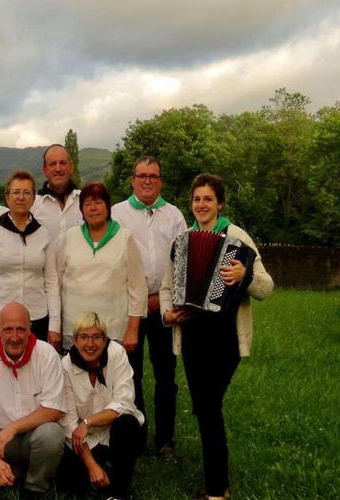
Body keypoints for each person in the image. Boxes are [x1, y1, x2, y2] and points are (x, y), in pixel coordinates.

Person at [160, 173, 273, 500]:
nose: (201, 205)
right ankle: (217, 482)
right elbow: (167, 288)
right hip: (193, 336)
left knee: (208, 406)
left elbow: (267, 287)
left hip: (224, 340)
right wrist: (167, 314)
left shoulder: (237, 236)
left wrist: (245, 274)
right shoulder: (183, 240)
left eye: (208, 199)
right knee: (205, 408)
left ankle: (216, 490)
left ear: (220, 202)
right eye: (197, 199)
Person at [111, 156, 187, 458]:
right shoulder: (117, 213)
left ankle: (165, 440)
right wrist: (141, 301)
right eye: (141, 175)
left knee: (166, 376)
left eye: (153, 176)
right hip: (129, 308)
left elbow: (182, 262)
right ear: (132, 180)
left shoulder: (174, 215)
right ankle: (135, 437)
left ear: (160, 181)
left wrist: (161, 300)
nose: (147, 181)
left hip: (164, 307)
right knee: (130, 376)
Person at [0, 302, 66, 496]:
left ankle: (35, 486)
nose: (14, 337)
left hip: (34, 433)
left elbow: (54, 409)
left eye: (21, 329)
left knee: (52, 436)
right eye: (8, 330)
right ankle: (10, 472)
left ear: (30, 329)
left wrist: (13, 428)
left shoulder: (48, 355)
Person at [59, 311, 144, 500]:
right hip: (83, 442)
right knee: (68, 480)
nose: (90, 344)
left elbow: (125, 403)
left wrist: (88, 422)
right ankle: (98, 473)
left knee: (128, 423)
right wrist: (91, 465)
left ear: (105, 340)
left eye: (96, 337)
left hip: (116, 433)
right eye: (84, 337)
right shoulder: (65, 366)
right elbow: (69, 422)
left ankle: (119, 492)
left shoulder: (116, 354)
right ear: (74, 340)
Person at [0, 169, 61, 350]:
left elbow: (52, 282)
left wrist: (54, 325)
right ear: (7, 197)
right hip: (2, 317)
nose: (21, 197)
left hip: (37, 317)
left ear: (33, 198)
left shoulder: (44, 234)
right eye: (16, 192)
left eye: (26, 192)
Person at [58, 182, 148, 351]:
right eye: (87, 204)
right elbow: (57, 281)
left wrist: (133, 330)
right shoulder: (71, 236)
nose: (93, 208)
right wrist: (57, 325)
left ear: (107, 207)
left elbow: (138, 288)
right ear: (82, 210)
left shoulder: (124, 238)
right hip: (75, 329)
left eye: (98, 202)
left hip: (113, 330)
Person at [32, 144, 83, 243]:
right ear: (45, 170)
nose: (58, 169)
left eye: (63, 163)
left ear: (71, 167)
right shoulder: (33, 205)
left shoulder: (85, 201)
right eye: (52, 164)